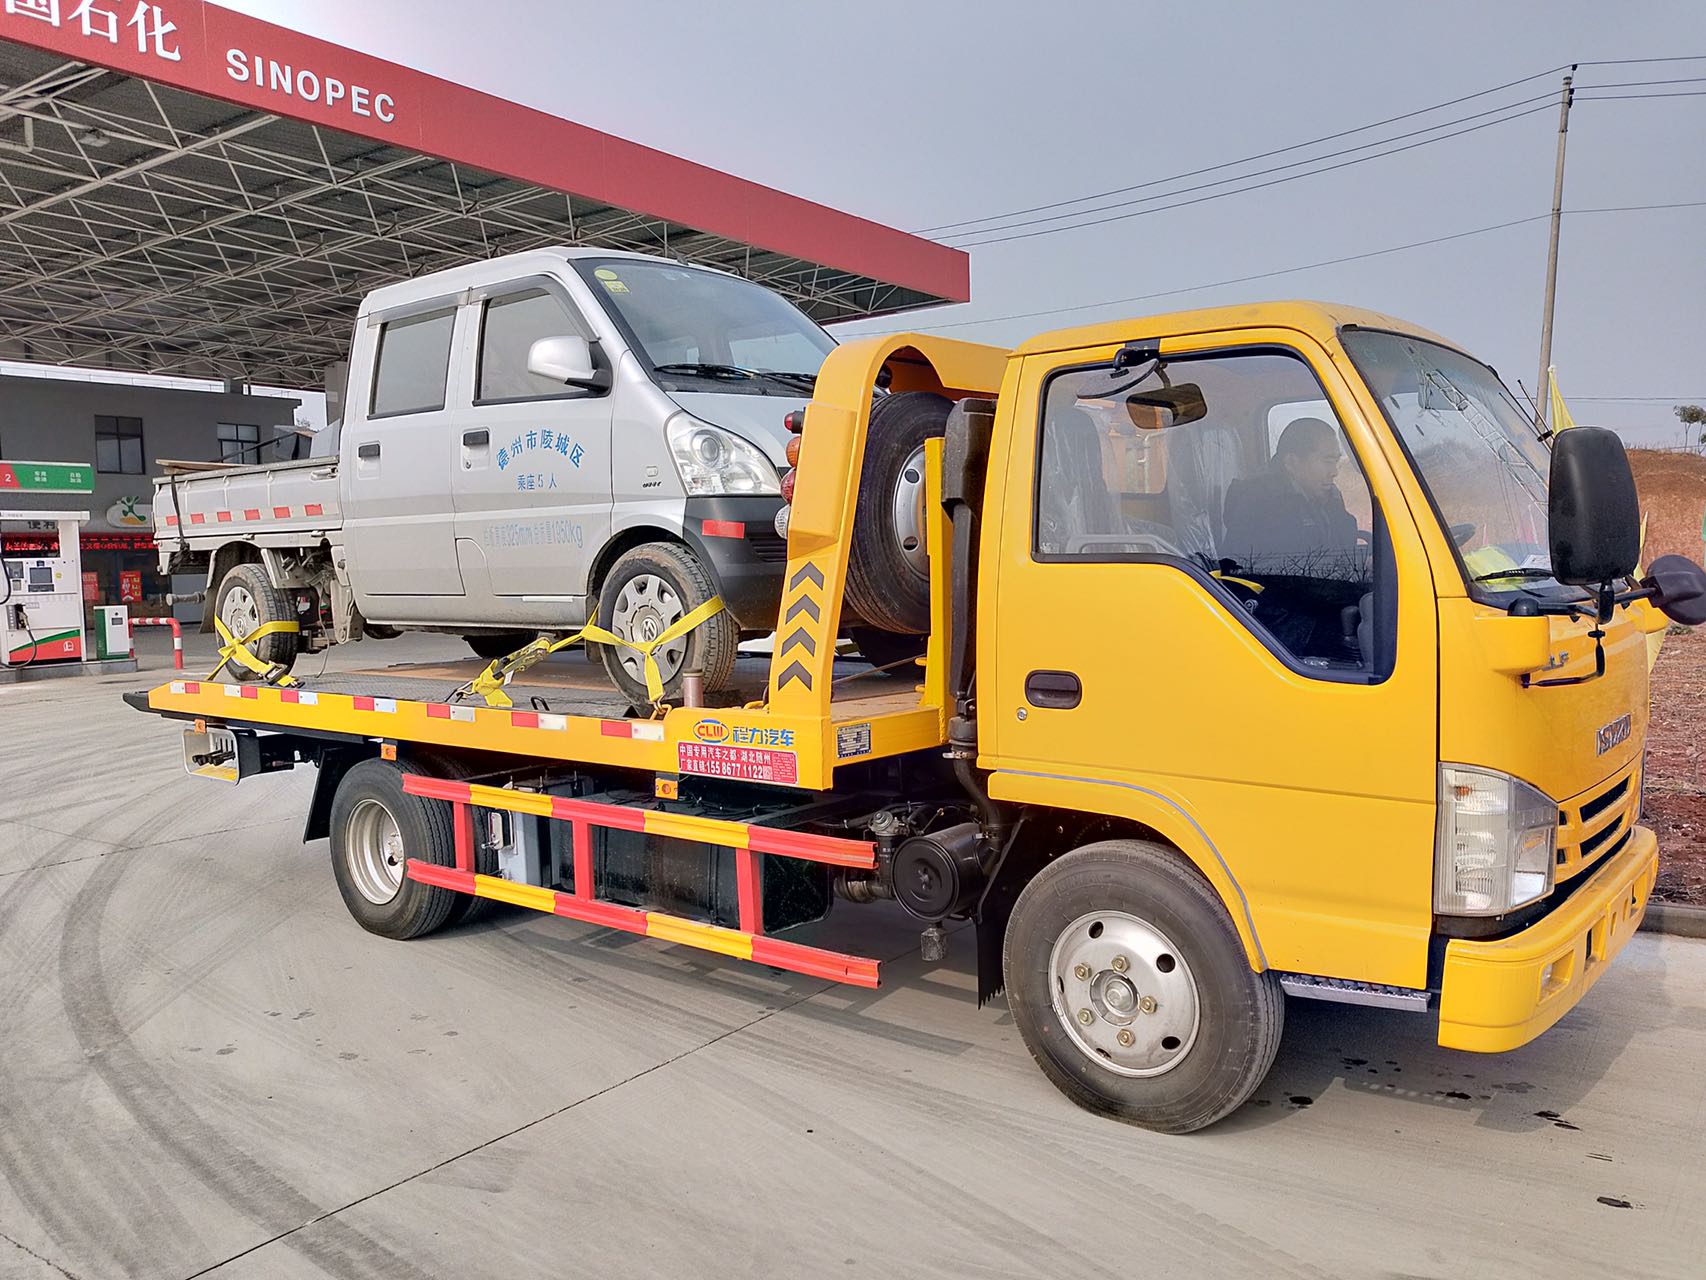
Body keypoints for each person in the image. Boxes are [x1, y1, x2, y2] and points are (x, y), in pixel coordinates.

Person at [1220, 417, 1363, 660]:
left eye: (1336, 461)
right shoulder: (1262, 502)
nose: (1335, 471)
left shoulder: (1322, 494)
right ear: (1292, 462)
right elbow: (1302, 577)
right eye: (1327, 461)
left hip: (1310, 603)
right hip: (1277, 621)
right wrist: (1364, 585)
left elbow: (1341, 545)